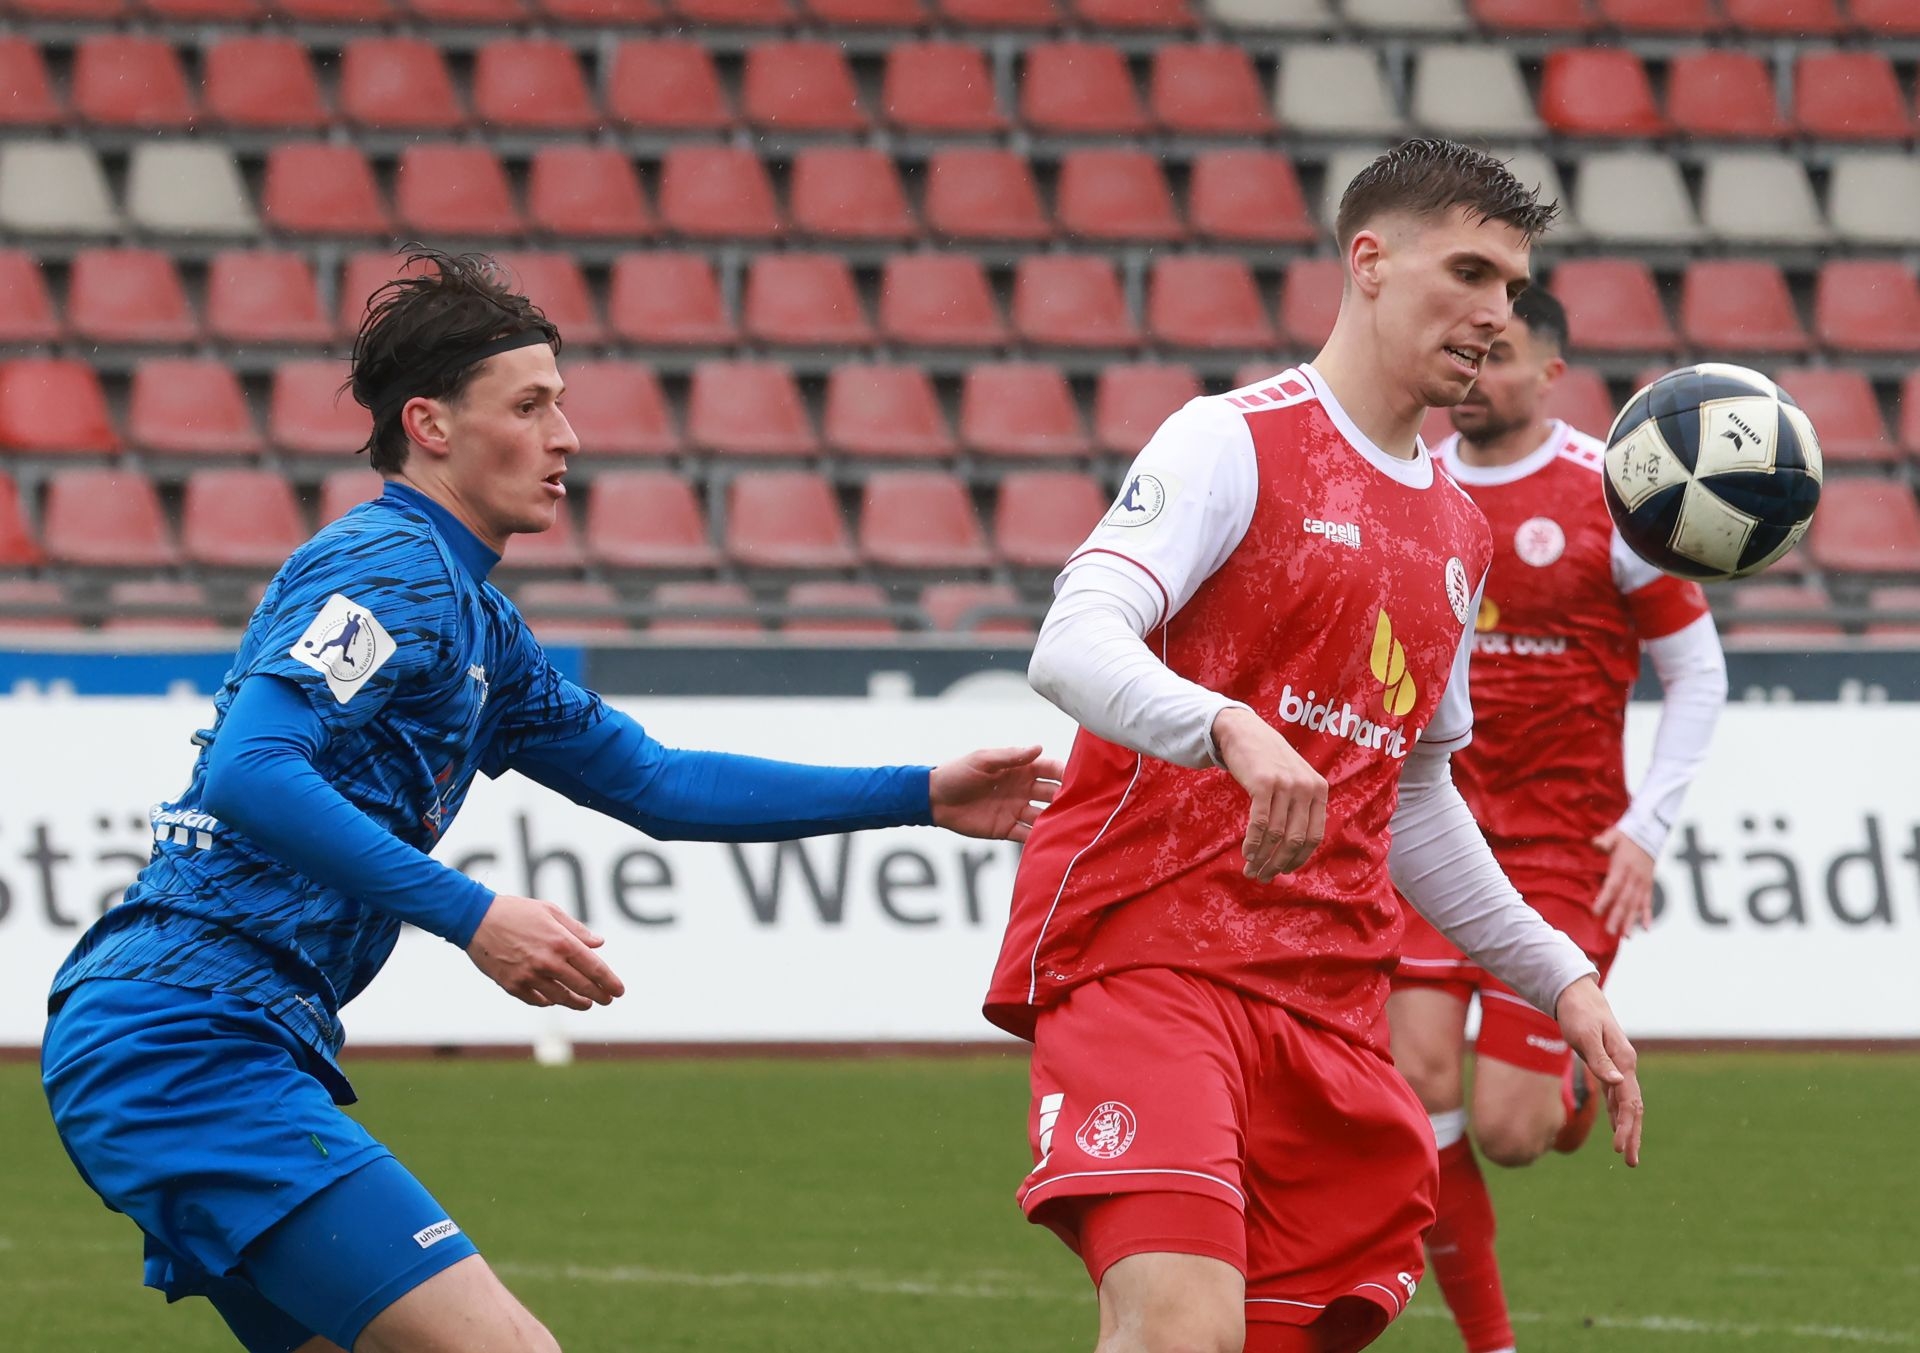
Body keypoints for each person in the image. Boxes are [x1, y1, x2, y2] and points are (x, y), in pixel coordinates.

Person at [40, 249, 1064, 1353]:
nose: (566, 437)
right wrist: (474, 914)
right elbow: (252, 770)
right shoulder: (385, 569)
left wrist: (917, 792)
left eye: (561, 405)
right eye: (529, 407)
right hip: (186, 1040)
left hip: (214, 1038)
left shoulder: (478, 625)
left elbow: (656, 783)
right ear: (429, 426)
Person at [982, 138, 1647, 1353]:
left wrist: (1556, 972)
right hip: (1152, 960)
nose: (1495, 314)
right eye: (1469, 273)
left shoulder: (1457, 526)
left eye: (1510, 287)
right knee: (1182, 1332)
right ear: (1371, 263)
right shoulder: (1230, 441)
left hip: (1331, 1008)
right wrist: (1224, 724)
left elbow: (1415, 797)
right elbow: (1072, 642)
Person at [1386, 289, 1727, 1353]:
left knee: (1511, 1132)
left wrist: (1646, 830)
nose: (1477, 374)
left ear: (1551, 373)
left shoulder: (1617, 498)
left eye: (1502, 356)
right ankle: (1493, 1342)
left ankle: (1567, 1089)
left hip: (1562, 849)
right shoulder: (1413, 482)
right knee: (1420, 1086)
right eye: (1468, 353)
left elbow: (1698, 674)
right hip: (1436, 833)